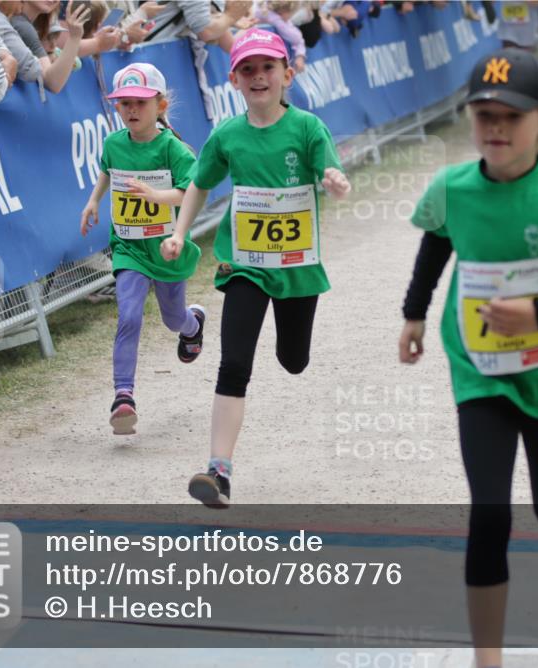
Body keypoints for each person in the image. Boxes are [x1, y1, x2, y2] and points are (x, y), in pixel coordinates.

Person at [398, 49, 538, 668]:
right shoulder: (453, 188)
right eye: (483, 115)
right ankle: (487, 659)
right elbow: (435, 244)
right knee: (489, 512)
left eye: (510, 117)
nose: (495, 127)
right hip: (479, 373)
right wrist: (414, 314)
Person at [160, 29, 350, 508]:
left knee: (293, 359)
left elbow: (330, 170)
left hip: (298, 268)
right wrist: (180, 232)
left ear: (287, 75)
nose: (258, 76)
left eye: (267, 68)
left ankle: (290, 351)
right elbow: (199, 185)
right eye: (248, 69)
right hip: (243, 263)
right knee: (234, 362)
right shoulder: (227, 135)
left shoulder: (307, 128)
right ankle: (217, 471)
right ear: (234, 80)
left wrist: (333, 180)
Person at [79, 63, 206, 435]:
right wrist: (93, 202)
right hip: (129, 247)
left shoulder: (173, 149)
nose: (131, 110)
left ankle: (193, 323)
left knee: (172, 319)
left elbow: (191, 193)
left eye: (140, 102)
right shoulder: (115, 143)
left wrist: (156, 196)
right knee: (129, 315)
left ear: (161, 104)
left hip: (166, 247)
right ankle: (123, 396)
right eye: (123, 104)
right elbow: (107, 169)